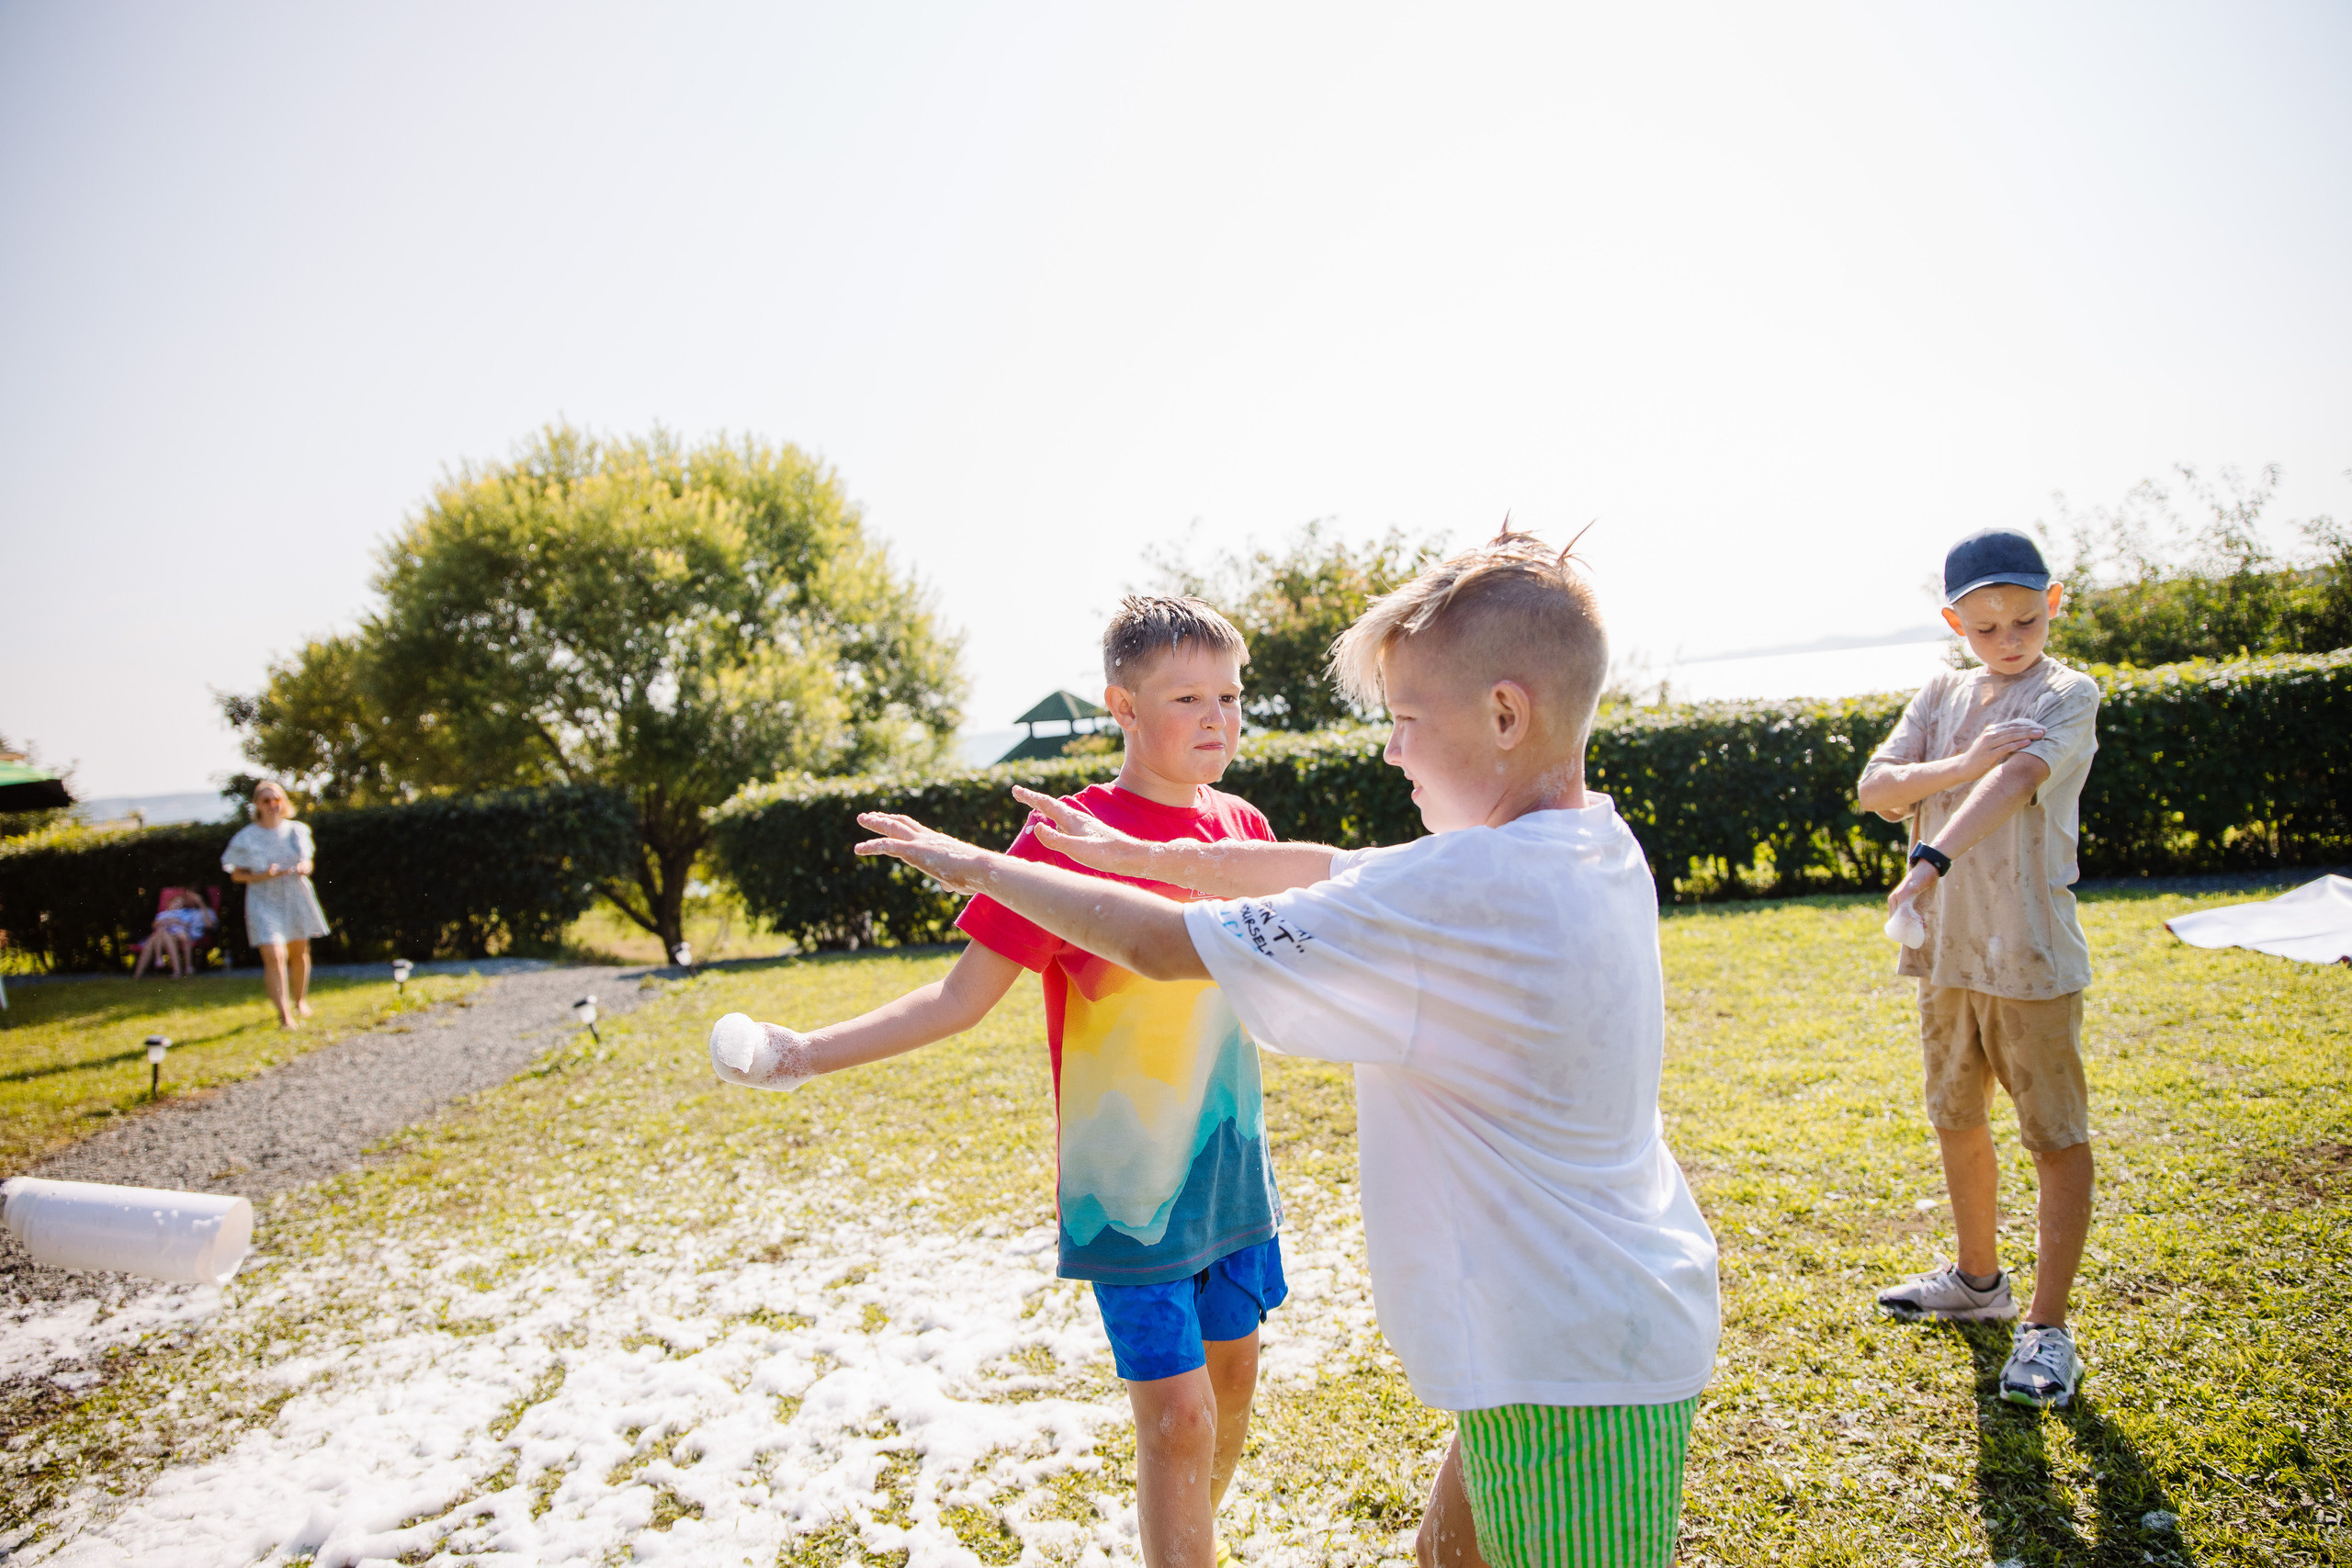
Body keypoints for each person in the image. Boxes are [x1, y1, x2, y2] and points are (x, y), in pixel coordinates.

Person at [842, 534, 1720, 1568]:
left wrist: (977, 864)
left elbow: (1161, 945)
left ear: (1502, 713)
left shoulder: (1460, 893)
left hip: (1572, 1372)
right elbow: (1336, 864)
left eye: (1403, 721)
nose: (1391, 750)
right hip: (1567, 1331)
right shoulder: (1583, 843)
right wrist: (1143, 851)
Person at [708, 597, 1288, 1568]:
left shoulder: (1243, 826)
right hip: (1126, 1198)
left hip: (1232, 1178)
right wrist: (801, 1053)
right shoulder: (1065, 839)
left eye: (1229, 695)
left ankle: (1193, 1539)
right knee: (1179, 1420)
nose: (1217, 717)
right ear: (1122, 706)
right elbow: (956, 1000)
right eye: (1187, 696)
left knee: (1230, 1392)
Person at [1860, 526, 2100, 1410]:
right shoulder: (1940, 694)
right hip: (1945, 956)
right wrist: (1957, 762)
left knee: (2054, 1135)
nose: (2008, 640)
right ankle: (1976, 1280)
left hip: (2031, 952)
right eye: (1987, 625)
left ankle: (2047, 1327)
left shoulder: (2068, 692)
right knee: (1956, 1117)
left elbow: (2015, 784)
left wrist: (1933, 859)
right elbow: (1876, 787)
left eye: (2025, 620)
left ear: (2054, 604)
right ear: (1954, 620)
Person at [221, 780, 331, 1029]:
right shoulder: (246, 837)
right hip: (263, 899)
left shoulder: (297, 830)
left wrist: (305, 867)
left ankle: (300, 1001)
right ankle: (284, 1015)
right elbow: (236, 874)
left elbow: (309, 862)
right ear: (257, 805)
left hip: (295, 895)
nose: (272, 804)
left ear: (283, 802)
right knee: (274, 954)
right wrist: (262, 876)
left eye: (276, 799)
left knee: (299, 952)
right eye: (266, 800)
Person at [132, 887, 216, 979]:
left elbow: (209, 926)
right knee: (153, 939)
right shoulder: (178, 910)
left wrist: (201, 904)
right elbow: (157, 923)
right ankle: (138, 975)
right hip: (172, 933)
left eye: (191, 895)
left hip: (187, 935)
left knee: (165, 936)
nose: (188, 898)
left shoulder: (206, 911)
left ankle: (177, 972)